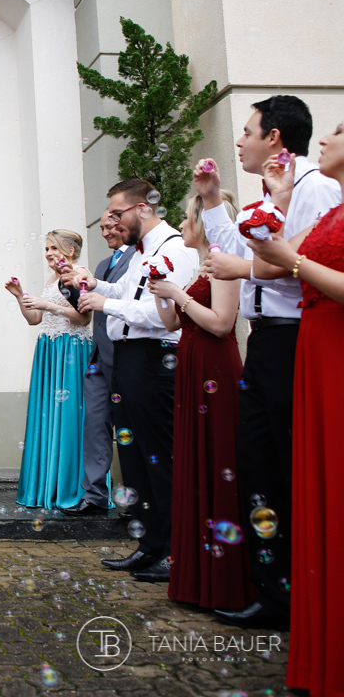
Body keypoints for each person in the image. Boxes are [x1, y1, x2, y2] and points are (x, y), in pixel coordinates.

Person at [195, 96, 341, 630]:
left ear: (274, 136)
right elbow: (236, 251)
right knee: (259, 465)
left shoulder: (318, 187)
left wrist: (247, 269)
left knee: (284, 467)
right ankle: (276, 590)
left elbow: (299, 260)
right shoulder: (277, 188)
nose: (239, 141)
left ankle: (299, 596)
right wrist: (212, 201)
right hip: (267, 341)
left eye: (248, 131)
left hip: (297, 339)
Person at [248, 118, 344, 697]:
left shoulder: (327, 197)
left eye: (341, 129)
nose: (328, 136)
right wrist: (278, 205)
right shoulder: (327, 207)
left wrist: (293, 258)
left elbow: (290, 266)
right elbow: (273, 260)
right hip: (314, 343)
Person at [64, 178, 199, 583]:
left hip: (156, 361)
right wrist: (90, 284)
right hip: (128, 361)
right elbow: (124, 291)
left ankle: (174, 551)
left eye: (118, 213)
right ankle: (149, 544)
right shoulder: (141, 252)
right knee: (136, 458)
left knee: (160, 458)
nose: (114, 222)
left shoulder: (174, 249)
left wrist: (107, 303)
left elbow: (164, 316)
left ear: (143, 208)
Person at [148, 191, 252, 610]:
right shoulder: (202, 267)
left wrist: (180, 293)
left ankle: (224, 580)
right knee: (194, 462)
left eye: (185, 220)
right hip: (192, 370)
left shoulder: (224, 264)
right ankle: (196, 575)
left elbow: (222, 323)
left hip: (215, 368)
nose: (181, 226)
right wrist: (162, 291)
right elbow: (174, 320)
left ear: (201, 223)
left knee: (217, 461)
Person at [5, 230, 92, 509]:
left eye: (54, 248)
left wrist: (48, 305)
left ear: (71, 251)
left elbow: (83, 318)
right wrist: (21, 296)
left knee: (66, 418)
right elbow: (34, 319)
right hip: (49, 350)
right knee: (46, 416)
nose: (49, 253)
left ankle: (67, 488)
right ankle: (45, 486)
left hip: (70, 350)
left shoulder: (81, 274)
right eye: (46, 249)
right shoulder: (52, 279)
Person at [62, 212, 134, 516]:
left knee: (132, 431)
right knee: (95, 428)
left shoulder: (140, 258)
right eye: (102, 227)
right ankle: (94, 496)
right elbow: (85, 306)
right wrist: (71, 287)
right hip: (99, 360)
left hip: (127, 355)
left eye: (111, 226)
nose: (105, 232)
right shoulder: (103, 265)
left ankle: (136, 501)